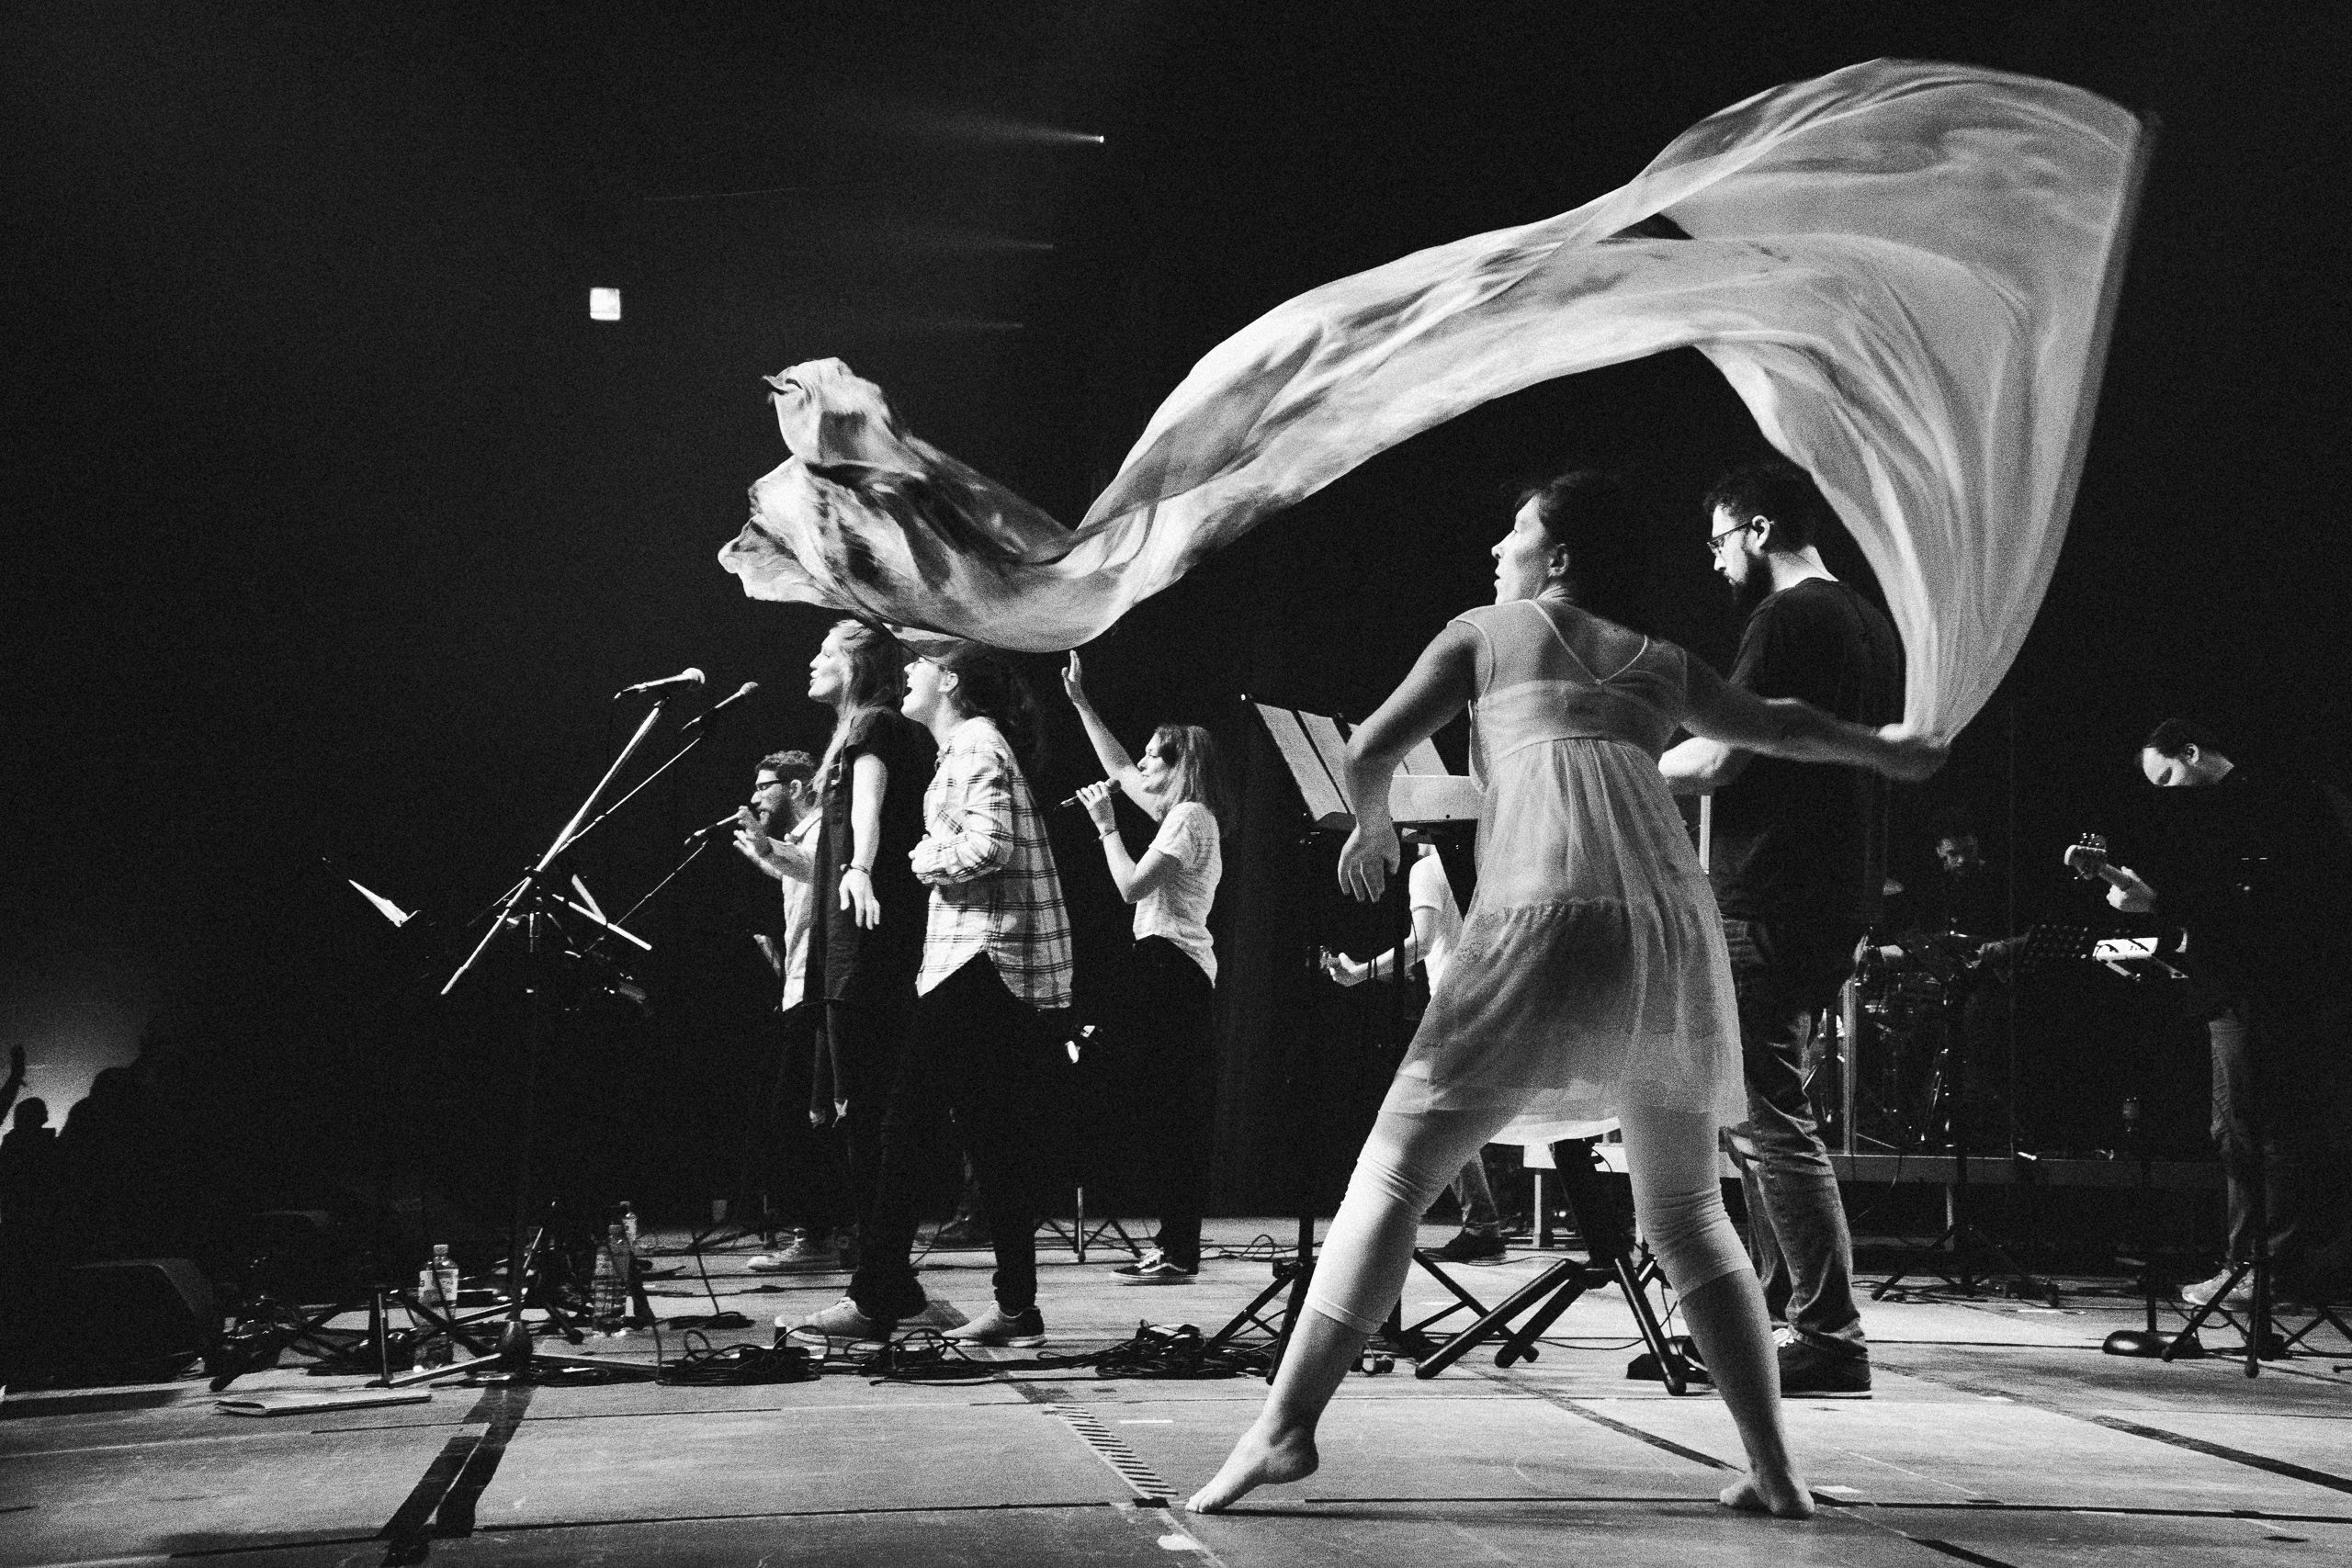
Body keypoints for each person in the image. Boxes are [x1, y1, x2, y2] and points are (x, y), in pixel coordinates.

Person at [1190, 468, 1941, 1517]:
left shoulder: (1485, 633)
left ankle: (1283, 1430)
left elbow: (1367, 750)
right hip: (1665, 926)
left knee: (1396, 1174)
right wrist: (1886, 749)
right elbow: (1775, 726)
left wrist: (1369, 824)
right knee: (1683, 1210)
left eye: (1515, 530)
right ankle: (1775, 1470)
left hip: (1544, 916)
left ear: (1558, 557)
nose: (1497, 546)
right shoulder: (1661, 662)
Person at [1659, 461, 1903, 1397]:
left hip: (1771, 892)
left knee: (1767, 1119)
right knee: (1762, 1110)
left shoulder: (1788, 616)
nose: (1716, 562)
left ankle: (1829, 1335)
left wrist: (1626, 768)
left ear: (1756, 530)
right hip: (1828, 894)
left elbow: (1724, 754)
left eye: (1718, 541)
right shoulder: (1867, 622)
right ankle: (1767, 1325)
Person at [794, 646, 1076, 1348]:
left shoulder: (975, 742)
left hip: (984, 958)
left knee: (904, 1125)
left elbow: (988, 847)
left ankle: (877, 1295)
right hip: (986, 961)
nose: (908, 674)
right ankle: (1016, 1309)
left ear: (949, 680)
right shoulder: (965, 747)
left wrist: (919, 858)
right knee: (991, 1135)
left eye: (921, 663)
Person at [2065, 720, 2352, 1306]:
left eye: (2169, 776)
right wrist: (2153, 905)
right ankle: (2254, 1263)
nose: (2168, 792)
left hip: (2267, 990)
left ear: (2192, 752)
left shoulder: (2267, 804)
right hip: (2234, 986)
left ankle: (2266, 1267)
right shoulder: (2240, 808)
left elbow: (2266, 905)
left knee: (2259, 1129)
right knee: (2238, 1129)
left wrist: (2161, 905)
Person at [1063, 651, 1227, 1284]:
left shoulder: (1189, 817)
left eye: (1157, 755)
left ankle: (1179, 1248)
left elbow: (1131, 887)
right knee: (1164, 1110)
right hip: (1163, 964)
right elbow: (1118, 766)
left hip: (1173, 966)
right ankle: (1173, 1243)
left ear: (1182, 765)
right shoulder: (1180, 815)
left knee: (1169, 1109)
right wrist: (1081, 702)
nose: (1144, 764)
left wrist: (1105, 825)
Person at [794, 621, 936, 1269]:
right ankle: (884, 1263)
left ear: (855, 665)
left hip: (863, 938)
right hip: (865, 934)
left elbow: (866, 813)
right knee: (871, 1103)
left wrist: (858, 867)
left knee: (867, 1104)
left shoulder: (871, 726)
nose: (813, 661)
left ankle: (882, 1268)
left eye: (826, 652)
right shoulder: (879, 727)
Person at [1321, 837, 1509, 1262]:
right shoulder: (1487, 857)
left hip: (1458, 1004)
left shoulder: (1427, 868)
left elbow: (1422, 941)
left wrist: (1360, 972)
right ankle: (1491, 1222)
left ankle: (1481, 1224)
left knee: (1435, 1108)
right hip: (1496, 996)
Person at [730, 750, 842, 1271]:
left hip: (821, 989)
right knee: (802, 1115)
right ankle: (824, 1232)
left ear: (797, 789)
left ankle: (816, 1238)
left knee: (806, 1117)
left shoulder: (823, 831)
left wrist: (766, 849)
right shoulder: (800, 841)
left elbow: (822, 873)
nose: (755, 797)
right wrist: (766, 855)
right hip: (802, 986)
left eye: (765, 786)